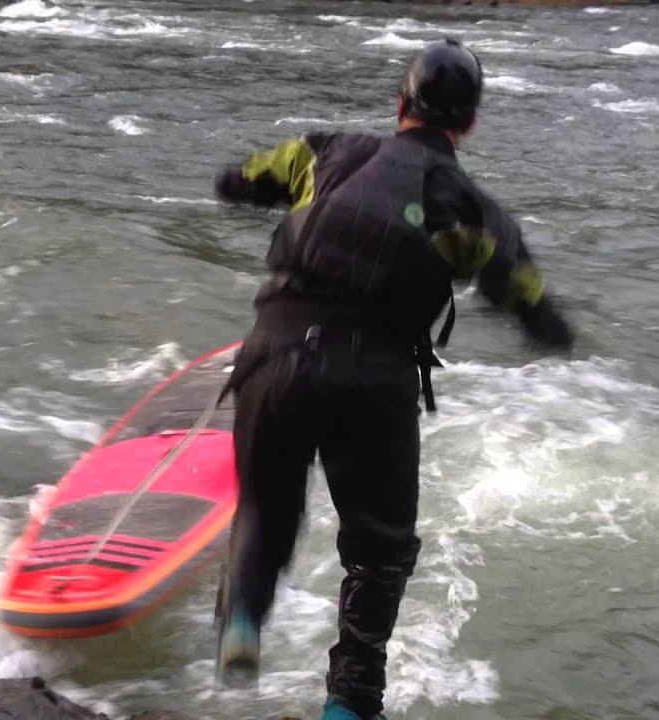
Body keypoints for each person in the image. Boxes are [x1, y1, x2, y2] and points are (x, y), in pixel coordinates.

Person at [210, 38, 575, 720]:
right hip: (371, 378)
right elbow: (523, 295)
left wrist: (258, 191)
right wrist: (556, 335)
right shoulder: (467, 205)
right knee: (378, 554)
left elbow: (241, 178)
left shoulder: (322, 152)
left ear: (400, 104)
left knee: (265, 507)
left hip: (274, 353)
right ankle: (348, 704)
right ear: (467, 124)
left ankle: (241, 623)